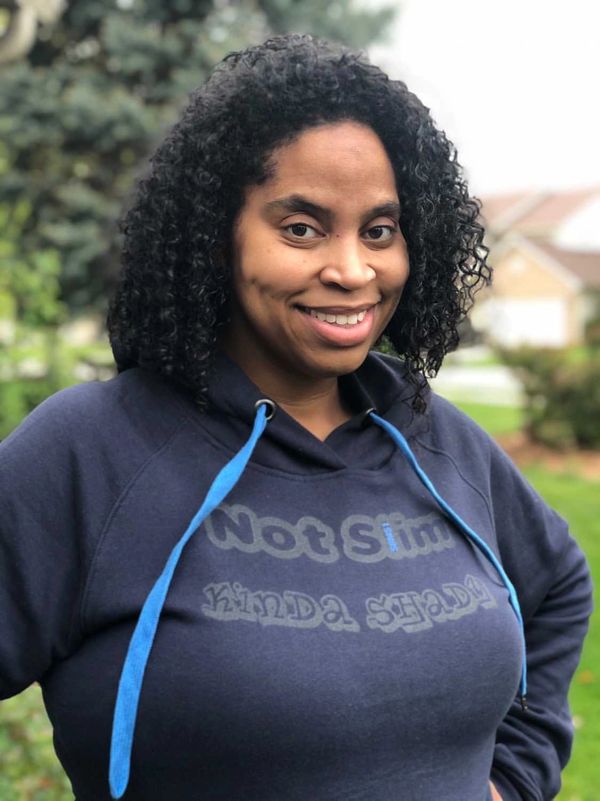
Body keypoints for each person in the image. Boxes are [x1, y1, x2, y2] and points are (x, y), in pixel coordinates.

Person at [0, 33, 592, 801]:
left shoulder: (434, 437)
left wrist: (515, 776)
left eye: (378, 230)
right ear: (218, 239)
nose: (352, 269)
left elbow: (560, 583)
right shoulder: (91, 450)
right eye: (302, 228)